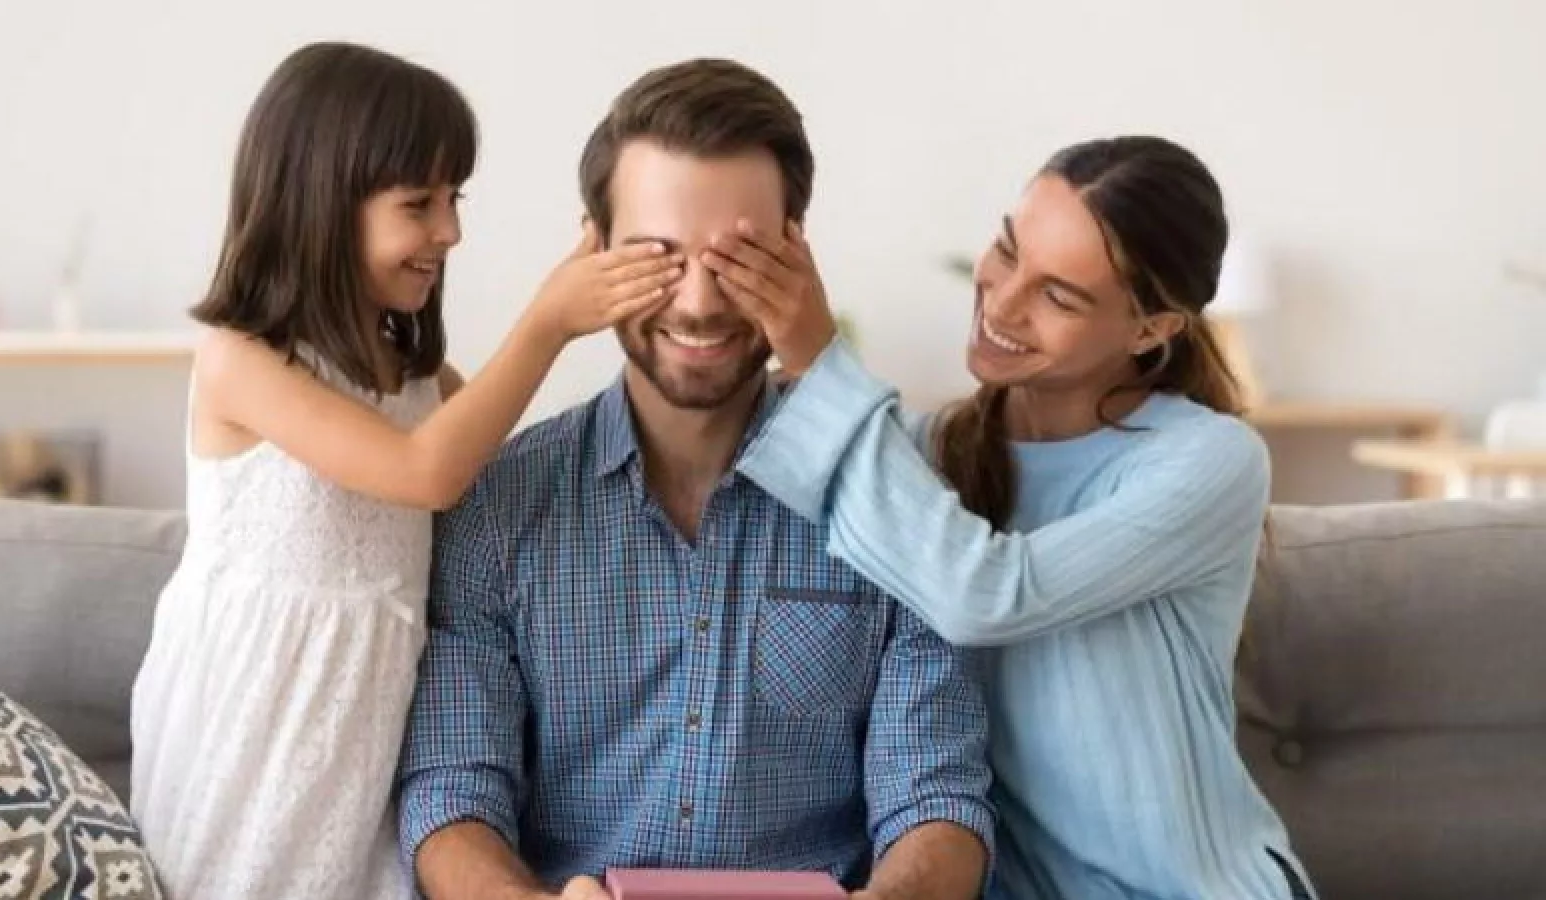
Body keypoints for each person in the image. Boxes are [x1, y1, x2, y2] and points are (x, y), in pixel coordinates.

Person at [397, 58, 996, 900]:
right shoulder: (498, 507)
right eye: (659, 258)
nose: (700, 302)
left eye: (739, 257)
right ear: (593, 250)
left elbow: (938, 799)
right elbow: (451, 792)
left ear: (797, 249)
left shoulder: (895, 503)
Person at [128, 41, 683, 900]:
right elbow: (426, 473)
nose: (449, 232)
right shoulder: (243, 361)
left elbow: (497, 477)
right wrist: (547, 322)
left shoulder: (417, 379)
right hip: (252, 729)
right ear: (321, 202)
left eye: (454, 198)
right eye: (419, 204)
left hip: (361, 735)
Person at [713, 135, 1318, 899]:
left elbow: (988, 594)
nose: (1001, 302)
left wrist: (817, 356)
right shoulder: (923, 456)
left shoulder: (1206, 460)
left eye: (1058, 296)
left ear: (1150, 329)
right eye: (1007, 250)